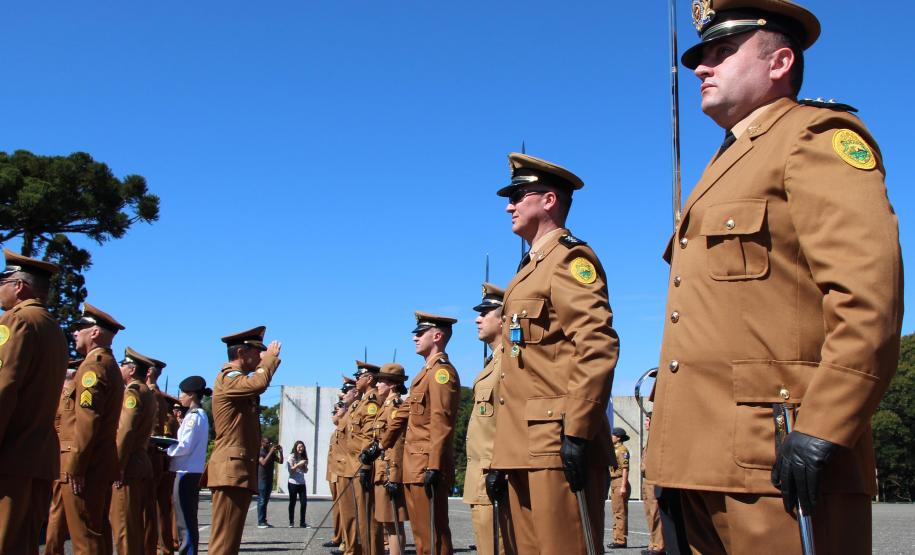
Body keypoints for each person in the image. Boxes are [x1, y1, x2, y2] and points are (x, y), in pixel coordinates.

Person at [644, 1, 904, 553]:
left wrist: (825, 425)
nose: (702, 67)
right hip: (698, 460)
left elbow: (867, 298)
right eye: (702, 56)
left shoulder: (814, 137)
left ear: (780, 62)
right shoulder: (726, 163)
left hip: (778, 459)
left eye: (722, 52)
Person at [489, 153, 620, 554]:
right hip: (521, 447)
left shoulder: (569, 259)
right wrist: (500, 456)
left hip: (556, 442)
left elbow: (596, 344)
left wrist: (577, 431)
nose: (509, 206)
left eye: (518, 196)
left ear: (548, 200)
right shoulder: (527, 269)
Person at [0, 250, 68, 554]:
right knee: (24, 544)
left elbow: (4, 388)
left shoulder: (16, 320)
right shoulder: (53, 328)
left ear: (19, 286)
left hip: (11, 455)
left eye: (2, 282)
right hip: (39, 456)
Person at [381, 311, 461, 555]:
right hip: (414, 466)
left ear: (437, 336)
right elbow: (402, 414)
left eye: (420, 333)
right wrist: (380, 445)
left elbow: (441, 421)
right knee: (421, 537)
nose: (414, 338)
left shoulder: (441, 373)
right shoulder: (422, 375)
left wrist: (434, 466)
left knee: (433, 536)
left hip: (426, 465)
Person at [201, 326, 282, 555]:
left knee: (230, 541)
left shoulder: (238, 380)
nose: (260, 356)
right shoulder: (229, 378)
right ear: (241, 353)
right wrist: (270, 360)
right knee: (224, 544)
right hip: (231, 470)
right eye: (256, 351)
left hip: (237, 469)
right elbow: (258, 384)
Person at [58, 303, 126, 554]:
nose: (75, 332)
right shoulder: (108, 364)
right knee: (97, 533)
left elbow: (88, 420)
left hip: (86, 463)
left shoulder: (93, 366)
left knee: (84, 537)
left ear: (95, 332)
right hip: (97, 460)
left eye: (81, 327)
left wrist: (77, 465)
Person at [463, 283, 512, 555]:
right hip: (482, 472)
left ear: (503, 319)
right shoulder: (493, 363)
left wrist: (500, 467)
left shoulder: (510, 361)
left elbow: (511, 420)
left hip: (494, 470)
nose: (477, 319)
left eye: (485, 313)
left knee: (496, 547)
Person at [109, 347, 159, 555]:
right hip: (139, 462)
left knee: (125, 528)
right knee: (136, 526)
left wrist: (117, 465)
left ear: (131, 369)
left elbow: (125, 430)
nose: (120, 368)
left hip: (128, 465)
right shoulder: (147, 392)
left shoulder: (133, 391)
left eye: (123, 365)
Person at [368, 363, 409, 555]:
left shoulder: (395, 407)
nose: (377, 385)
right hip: (381, 472)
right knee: (388, 522)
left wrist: (394, 476)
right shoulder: (385, 406)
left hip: (389, 472)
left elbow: (397, 443)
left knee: (394, 523)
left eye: (381, 381)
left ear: (392, 384)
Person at [167, 375, 211, 555]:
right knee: (186, 519)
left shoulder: (194, 417)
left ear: (192, 395)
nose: (180, 397)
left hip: (186, 472)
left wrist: (167, 449)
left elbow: (185, 445)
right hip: (189, 471)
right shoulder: (197, 415)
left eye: (183, 394)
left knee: (185, 521)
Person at [346, 361, 386, 555]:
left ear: (369, 378)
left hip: (363, 464)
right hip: (354, 464)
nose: (356, 379)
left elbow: (370, 436)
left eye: (358, 376)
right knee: (362, 516)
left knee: (368, 516)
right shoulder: (363, 401)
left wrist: (365, 466)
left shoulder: (372, 401)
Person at [45, 359, 83, 555]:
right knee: (61, 513)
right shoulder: (71, 393)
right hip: (68, 457)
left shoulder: (61, 392)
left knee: (58, 511)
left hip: (62, 454)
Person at [145, 355, 177, 555]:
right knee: (159, 510)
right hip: (158, 458)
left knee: (146, 512)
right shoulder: (158, 396)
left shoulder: (149, 395)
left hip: (149, 457)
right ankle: (162, 548)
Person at [640, 417, 664, 555]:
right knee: (649, 513)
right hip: (646, 478)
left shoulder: (657, 438)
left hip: (653, 479)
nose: (645, 423)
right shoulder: (650, 438)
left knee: (655, 513)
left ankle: (659, 545)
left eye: (648, 420)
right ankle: (653, 543)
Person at [608, 427, 630, 549]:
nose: (611, 437)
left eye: (613, 435)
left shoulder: (622, 450)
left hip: (619, 481)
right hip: (614, 482)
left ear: (618, 437)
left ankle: (620, 541)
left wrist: (623, 486)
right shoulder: (615, 449)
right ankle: (617, 538)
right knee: (616, 512)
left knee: (620, 512)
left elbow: (625, 469)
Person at [257, 437, 284, 528]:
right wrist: (271, 451)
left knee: (265, 501)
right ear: (262, 443)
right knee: (262, 500)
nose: (269, 445)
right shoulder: (260, 452)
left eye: (270, 443)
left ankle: (264, 521)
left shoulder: (270, 453)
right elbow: (263, 463)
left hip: (269, 479)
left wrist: (281, 452)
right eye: (267, 443)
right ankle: (260, 522)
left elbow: (280, 461)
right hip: (262, 479)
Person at [286, 440, 309, 528]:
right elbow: (291, 471)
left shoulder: (303, 457)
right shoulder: (291, 457)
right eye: (299, 447)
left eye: (302, 447)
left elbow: (305, 471)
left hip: (302, 483)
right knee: (292, 502)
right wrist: (299, 464)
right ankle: (291, 522)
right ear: (295, 447)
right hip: (293, 483)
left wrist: (305, 465)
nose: (301, 448)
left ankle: (302, 523)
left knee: (304, 503)